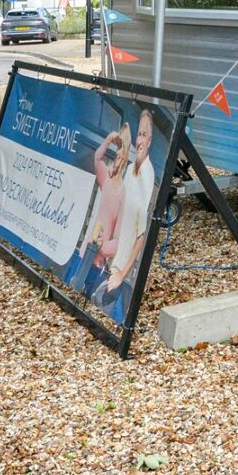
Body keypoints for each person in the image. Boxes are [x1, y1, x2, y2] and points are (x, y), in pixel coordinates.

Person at [94, 107, 156, 323]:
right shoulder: (130, 171)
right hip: (112, 262)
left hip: (123, 273)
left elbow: (141, 235)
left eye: (144, 135)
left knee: (114, 319)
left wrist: (122, 274)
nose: (140, 141)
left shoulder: (147, 175)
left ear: (150, 141)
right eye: (139, 134)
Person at [66, 121, 129, 296]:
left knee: (86, 292)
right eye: (116, 156)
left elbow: (118, 241)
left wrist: (103, 247)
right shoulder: (106, 182)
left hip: (98, 259)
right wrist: (108, 140)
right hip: (85, 249)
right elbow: (97, 157)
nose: (118, 162)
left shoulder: (124, 194)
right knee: (71, 287)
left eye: (122, 158)